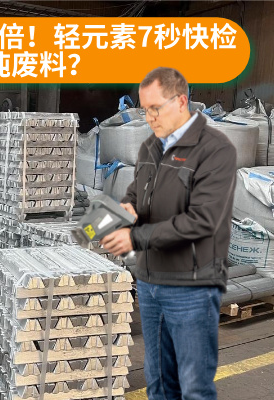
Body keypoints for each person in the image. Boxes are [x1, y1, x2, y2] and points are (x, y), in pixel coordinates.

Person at [99, 67, 237, 400]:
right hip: (150, 282)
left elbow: (203, 220)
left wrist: (135, 238)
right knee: (159, 382)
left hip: (192, 286)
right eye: (145, 109)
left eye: (156, 108)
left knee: (194, 386)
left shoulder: (215, 150)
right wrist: (123, 212)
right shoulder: (150, 146)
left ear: (181, 102)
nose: (149, 117)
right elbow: (136, 193)